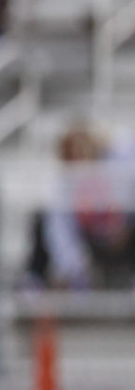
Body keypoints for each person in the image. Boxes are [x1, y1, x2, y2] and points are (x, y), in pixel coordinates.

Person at [28, 121, 135, 292]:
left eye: (82, 151)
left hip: (123, 238)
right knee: (40, 219)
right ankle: (33, 285)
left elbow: (127, 148)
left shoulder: (116, 163)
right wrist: (72, 268)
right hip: (91, 244)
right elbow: (60, 229)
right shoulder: (65, 183)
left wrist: (123, 227)